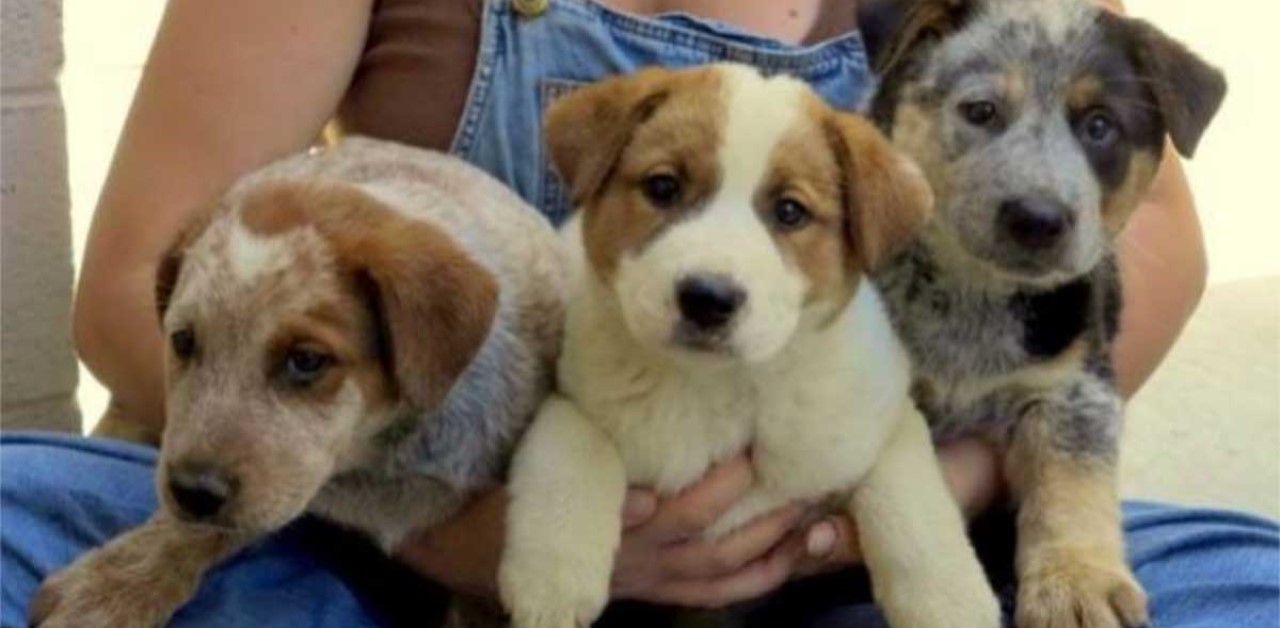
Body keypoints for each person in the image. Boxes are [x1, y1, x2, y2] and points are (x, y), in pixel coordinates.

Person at [3, 0, 1277, 626]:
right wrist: (442, 534)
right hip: (364, 524)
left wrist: (939, 493)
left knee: (1245, 586)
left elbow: (1143, 238)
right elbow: (133, 290)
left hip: (833, 539)